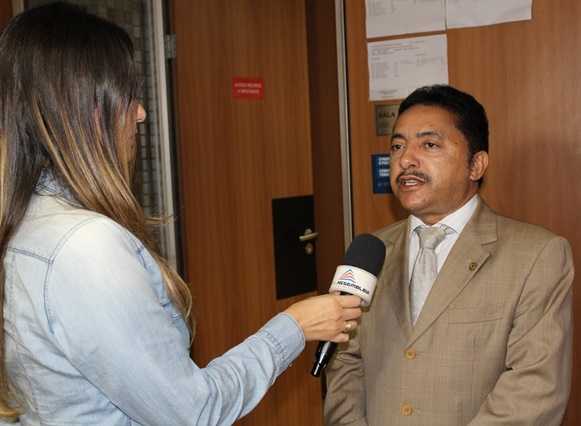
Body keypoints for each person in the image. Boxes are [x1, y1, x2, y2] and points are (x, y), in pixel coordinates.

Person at [0, 3, 362, 424]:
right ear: (82, 111)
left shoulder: (26, 224)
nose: (140, 112)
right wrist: (293, 327)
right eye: (127, 95)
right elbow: (193, 411)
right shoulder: (84, 247)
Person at [324, 85, 574, 425]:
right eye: (397, 146)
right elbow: (345, 363)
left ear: (476, 165)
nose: (405, 159)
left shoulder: (536, 255)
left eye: (429, 144)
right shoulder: (370, 252)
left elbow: (535, 390)